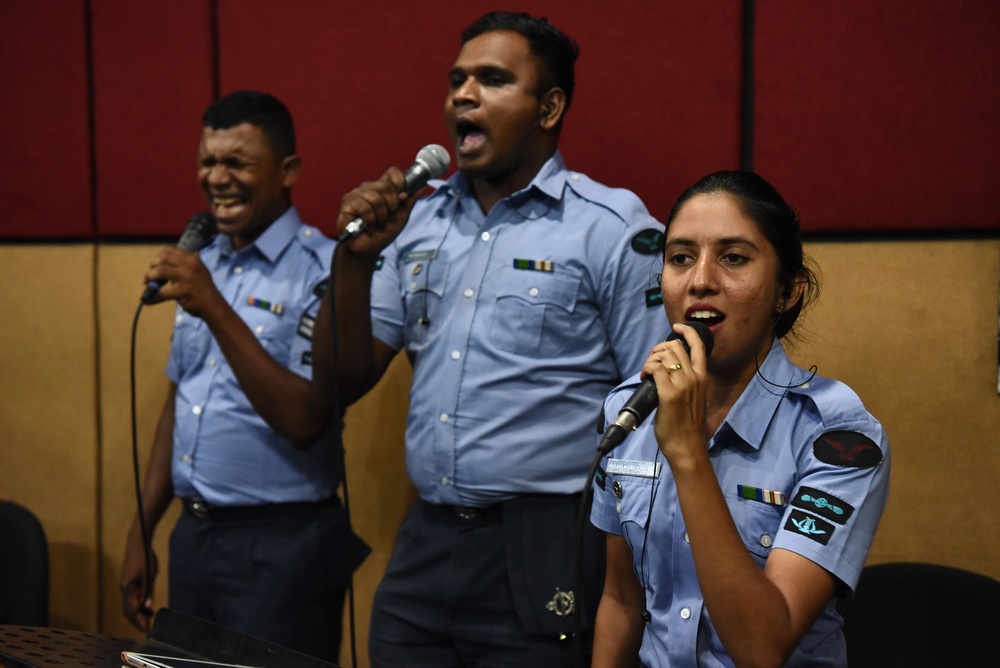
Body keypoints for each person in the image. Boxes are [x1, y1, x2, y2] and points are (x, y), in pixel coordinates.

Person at [311, 10, 666, 666]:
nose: (463, 96)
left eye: (493, 80)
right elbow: (339, 382)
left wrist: (628, 572)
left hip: (548, 538)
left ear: (549, 107)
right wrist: (356, 263)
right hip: (427, 538)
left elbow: (656, 408)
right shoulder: (417, 225)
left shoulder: (611, 228)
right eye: (457, 80)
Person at [590, 170, 891, 667]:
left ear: (787, 291)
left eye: (733, 257)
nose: (700, 280)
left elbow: (762, 648)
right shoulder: (630, 409)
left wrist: (688, 453)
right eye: (680, 258)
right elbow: (621, 600)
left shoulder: (838, 437)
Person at [119, 90, 367, 663]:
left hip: (282, 548)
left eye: (238, 162)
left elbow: (305, 419)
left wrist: (213, 305)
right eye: (208, 161)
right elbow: (178, 406)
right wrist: (142, 532)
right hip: (194, 538)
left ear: (288, 171)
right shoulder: (205, 264)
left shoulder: (322, 270)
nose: (217, 178)